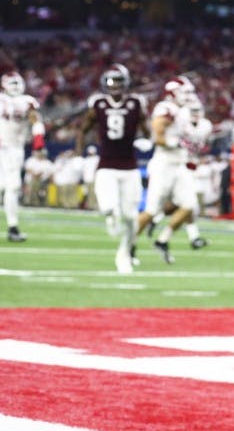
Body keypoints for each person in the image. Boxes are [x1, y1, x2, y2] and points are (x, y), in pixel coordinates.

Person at [75, 63, 151, 274]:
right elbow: (83, 129)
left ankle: (124, 253)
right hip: (106, 165)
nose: (114, 85)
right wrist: (78, 152)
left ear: (126, 83)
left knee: (131, 217)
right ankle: (111, 216)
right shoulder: (98, 104)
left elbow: (147, 130)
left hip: (129, 167)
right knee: (108, 207)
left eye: (118, 81)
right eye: (111, 81)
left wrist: (147, 140)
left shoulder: (136, 103)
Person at [134, 75, 201, 263]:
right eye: (185, 92)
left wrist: (189, 143)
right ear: (173, 93)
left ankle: (163, 240)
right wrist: (175, 142)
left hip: (179, 164)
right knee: (151, 210)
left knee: (189, 205)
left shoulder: (184, 111)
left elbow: (186, 138)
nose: (188, 96)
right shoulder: (166, 108)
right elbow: (157, 135)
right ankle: (129, 244)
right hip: (164, 164)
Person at [0, 71, 45, 242]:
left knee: (0, 186)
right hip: (3, 147)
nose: (15, 87)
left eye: (17, 83)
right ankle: (13, 228)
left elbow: (36, 120)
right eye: (12, 83)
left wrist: (38, 138)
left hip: (17, 148)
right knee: (13, 186)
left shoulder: (27, 101)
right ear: (4, 84)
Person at [145, 95, 213, 250]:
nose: (195, 113)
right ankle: (187, 235)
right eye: (192, 110)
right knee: (185, 204)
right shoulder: (181, 123)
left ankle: (160, 223)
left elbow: (200, 144)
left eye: (198, 110)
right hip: (173, 165)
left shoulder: (205, 126)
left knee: (186, 204)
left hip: (187, 165)